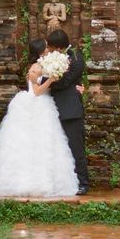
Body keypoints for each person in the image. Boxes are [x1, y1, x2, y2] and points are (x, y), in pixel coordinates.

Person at [0, 38, 79, 198]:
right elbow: (37, 91)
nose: (49, 48)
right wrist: (51, 79)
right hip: (36, 104)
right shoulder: (35, 67)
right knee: (29, 143)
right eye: (46, 47)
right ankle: (23, 182)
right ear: (42, 51)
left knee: (46, 145)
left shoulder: (44, 65)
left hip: (45, 105)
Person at [46, 29, 90, 195]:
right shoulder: (47, 59)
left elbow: (65, 82)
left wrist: (52, 82)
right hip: (50, 108)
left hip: (70, 108)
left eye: (51, 47)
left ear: (58, 48)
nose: (49, 51)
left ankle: (83, 182)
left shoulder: (77, 59)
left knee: (76, 147)